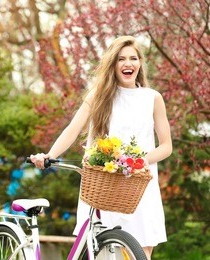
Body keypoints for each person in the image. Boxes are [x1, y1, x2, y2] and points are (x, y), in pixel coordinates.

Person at [30, 35, 172, 260]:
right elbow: (73, 129)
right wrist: (49, 155)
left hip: (140, 188)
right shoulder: (100, 95)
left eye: (133, 58)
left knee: (141, 253)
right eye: (121, 59)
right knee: (104, 252)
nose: (128, 64)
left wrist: (139, 161)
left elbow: (166, 146)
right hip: (104, 188)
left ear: (140, 63)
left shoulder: (152, 98)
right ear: (113, 65)